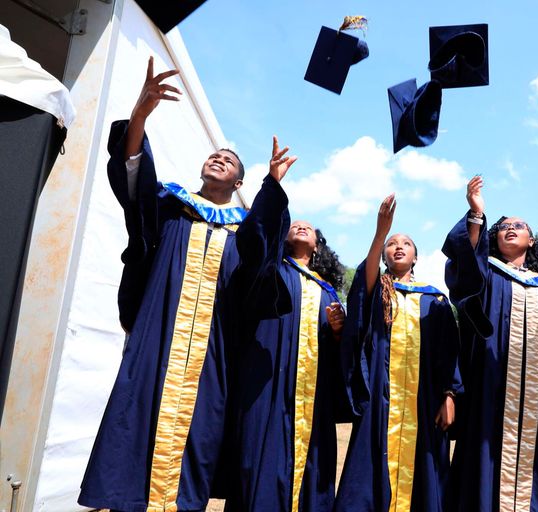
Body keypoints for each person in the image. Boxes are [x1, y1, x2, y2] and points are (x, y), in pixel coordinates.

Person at [79, 57, 248, 511]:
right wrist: (140, 114)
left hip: (213, 351)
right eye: (214, 155)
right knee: (137, 413)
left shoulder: (247, 232)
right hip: (158, 334)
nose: (218, 158)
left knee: (201, 428)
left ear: (238, 180)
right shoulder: (170, 204)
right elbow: (133, 177)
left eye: (229, 160)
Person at [442, 176, 538, 512]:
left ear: (531, 240)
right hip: (489, 391)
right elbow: (465, 269)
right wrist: (476, 215)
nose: (510, 229)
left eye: (518, 226)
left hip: (537, 399)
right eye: (503, 227)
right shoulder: (487, 276)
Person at [225, 138, 347, 511]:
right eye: (296, 225)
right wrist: (273, 184)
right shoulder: (272, 270)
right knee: (258, 457)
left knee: (308, 462)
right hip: (267, 380)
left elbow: (343, 354)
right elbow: (257, 237)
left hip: (312, 392)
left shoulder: (328, 292)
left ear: (318, 246)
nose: (302, 227)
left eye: (309, 228)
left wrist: (340, 331)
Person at [334, 194, 462, 512]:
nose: (398, 246)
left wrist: (449, 395)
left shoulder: (435, 300)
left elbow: (449, 353)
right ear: (384, 256)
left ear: (416, 257)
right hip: (380, 398)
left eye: (406, 243)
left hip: (425, 399)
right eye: (392, 244)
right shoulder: (378, 291)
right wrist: (381, 232)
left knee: (425, 474)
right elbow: (363, 283)